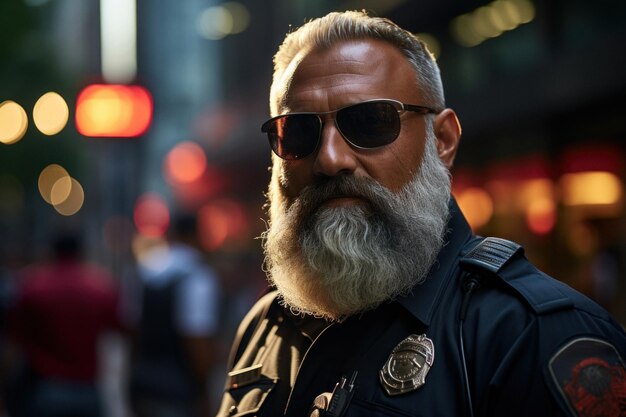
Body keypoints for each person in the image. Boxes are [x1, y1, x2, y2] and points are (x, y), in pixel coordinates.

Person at [214, 10, 626, 417]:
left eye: (370, 121)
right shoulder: (265, 327)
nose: (330, 159)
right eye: (299, 131)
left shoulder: (533, 336)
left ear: (443, 140)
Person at [6, 232, 121, 417]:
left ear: (51, 253)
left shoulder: (32, 288)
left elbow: (15, 341)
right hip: (87, 389)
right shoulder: (102, 288)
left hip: (45, 389)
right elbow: (118, 328)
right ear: (81, 253)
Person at [129, 213, 221, 417]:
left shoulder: (145, 270)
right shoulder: (197, 276)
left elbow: (132, 330)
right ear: (198, 236)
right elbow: (196, 338)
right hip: (179, 392)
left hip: (142, 386)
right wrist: (205, 392)